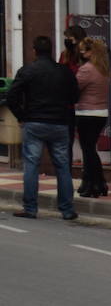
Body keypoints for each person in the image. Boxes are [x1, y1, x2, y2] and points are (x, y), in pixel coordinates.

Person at [7, 35, 79, 221]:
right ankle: (67, 209)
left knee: (31, 165)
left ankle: (30, 208)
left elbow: (11, 97)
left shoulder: (27, 71)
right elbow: (75, 97)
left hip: (34, 122)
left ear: (34, 51)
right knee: (63, 166)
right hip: (59, 124)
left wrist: (22, 117)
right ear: (52, 50)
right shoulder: (64, 72)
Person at [74, 37, 111, 199]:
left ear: (91, 52)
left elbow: (74, 88)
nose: (81, 52)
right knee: (91, 149)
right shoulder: (103, 68)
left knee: (88, 151)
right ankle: (100, 183)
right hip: (101, 113)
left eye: (84, 50)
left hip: (86, 113)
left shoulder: (87, 69)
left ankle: (92, 184)